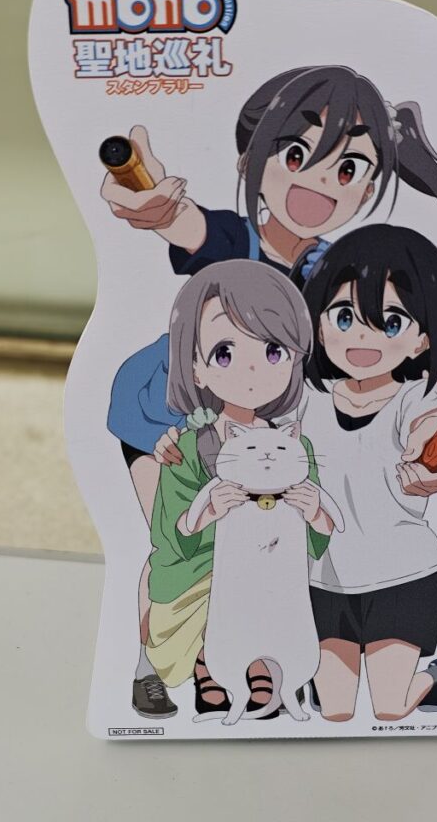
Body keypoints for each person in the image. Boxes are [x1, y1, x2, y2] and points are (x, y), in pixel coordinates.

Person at [104, 66, 437, 717]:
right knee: (182, 544)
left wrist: (436, 432)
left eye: (349, 168)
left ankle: (260, 667)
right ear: (250, 161)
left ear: (370, 186)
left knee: (261, 543)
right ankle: (153, 665)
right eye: (298, 155)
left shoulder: (338, 272)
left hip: (266, 421)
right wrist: (158, 208)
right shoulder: (234, 239)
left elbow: (363, 358)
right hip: (168, 407)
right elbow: (190, 226)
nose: (319, 183)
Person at [296, 224, 437, 722]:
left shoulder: (414, 399)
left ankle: (435, 675)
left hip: (402, 575)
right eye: (344, 316)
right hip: (324, 577)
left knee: (389, 709)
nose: (363, 336)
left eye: (391, 321)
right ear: (318, 324)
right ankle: (330, 682)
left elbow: (435, 433)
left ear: (422, 340)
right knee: (335, 713)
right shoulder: (307, 401)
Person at [144, 260, 333, 718]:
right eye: (225, 352)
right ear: (196, 367)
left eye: (273, 351)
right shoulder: (188, 447)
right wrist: (206, 514)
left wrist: (313, 514)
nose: (251, 369)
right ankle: (210, 661)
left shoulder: (295, 446)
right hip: (204, 574)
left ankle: (269, 663)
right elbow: (167, 535)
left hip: (276, 567)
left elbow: (317, 540)